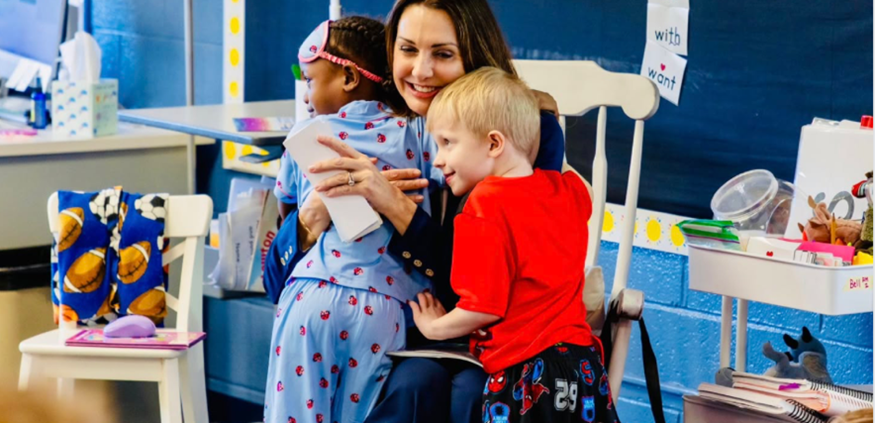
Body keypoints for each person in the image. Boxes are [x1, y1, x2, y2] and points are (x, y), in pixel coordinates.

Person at [295, 1, 567, 421]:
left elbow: (486, 287)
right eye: (407, 50)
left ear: (473, 55)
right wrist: (310, 219)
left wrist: (394, 205)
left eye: (442, 54)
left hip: (498, 333)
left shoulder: (522, 131)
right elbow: (277, 281)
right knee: (414, 382)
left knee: (467, 393)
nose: (420, 72)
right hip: (396, 329)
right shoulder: (362, 124)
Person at [409, 66, 618, 423]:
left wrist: (433, 328)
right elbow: (553, 153)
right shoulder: (568, 191)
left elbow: (484, 307)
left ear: (493, 143)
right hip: (583, 370)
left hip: (525, 378)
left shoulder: (484, 205)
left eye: (447, 142)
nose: (438, 158)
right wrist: (545, 118)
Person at [263, 16, 443, 423]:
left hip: (309, 294)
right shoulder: (416, 132)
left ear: (347, 77)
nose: (306, 94)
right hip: (381, 304)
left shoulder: (305, 136)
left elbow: (283, 212)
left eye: (309, 79)